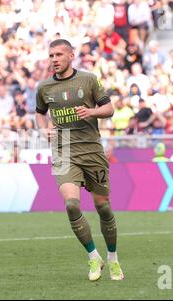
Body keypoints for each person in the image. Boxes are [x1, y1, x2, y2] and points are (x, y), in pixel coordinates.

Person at [35, 39, 123, 282]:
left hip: (92, 151)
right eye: (51, 55)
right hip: (63, 151)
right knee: (72, 205)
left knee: (103, 207)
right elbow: (40, 113)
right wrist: (44, 129)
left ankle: (113, 259)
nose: (54, 59)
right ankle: (94, 256)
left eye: (59, 54)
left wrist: (92, 112)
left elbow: (110, 109)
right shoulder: (44, 87)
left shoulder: (88, 80)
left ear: (71, 56)